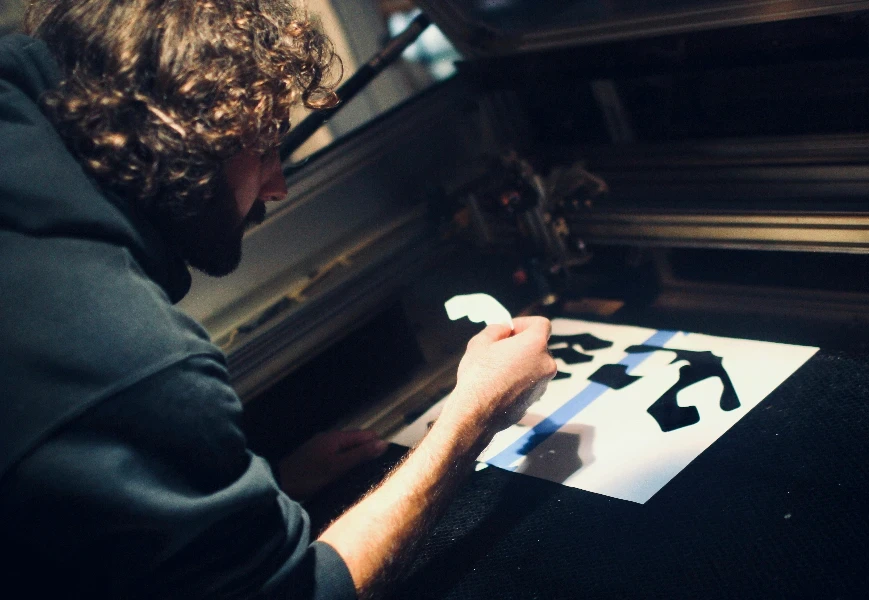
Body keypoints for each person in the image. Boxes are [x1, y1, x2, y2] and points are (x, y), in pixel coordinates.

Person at [0, 1, 557, 599]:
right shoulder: (127, 352)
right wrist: (472, 415)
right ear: (181, 140)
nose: (278, 183)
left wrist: (263, 489)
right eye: (265, 147)